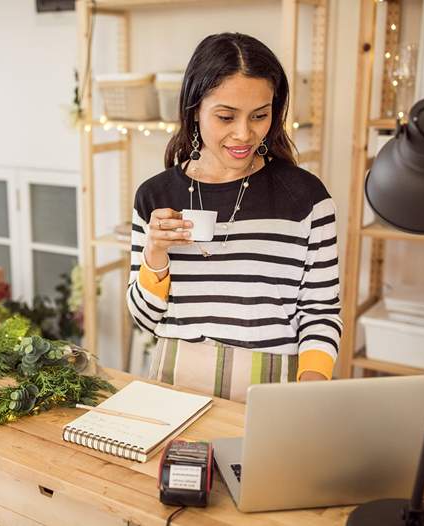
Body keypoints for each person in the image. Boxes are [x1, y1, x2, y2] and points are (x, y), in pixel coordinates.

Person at [126, 33, 342, 402]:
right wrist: (155, 255)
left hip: (272, 392)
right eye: (226, 116)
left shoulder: (306, 199)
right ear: (194, 109)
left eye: (260, 115)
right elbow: (145, 320)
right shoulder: (156, 197)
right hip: (174, 386)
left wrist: (311, 392)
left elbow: (320, 311)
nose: (244, 134)